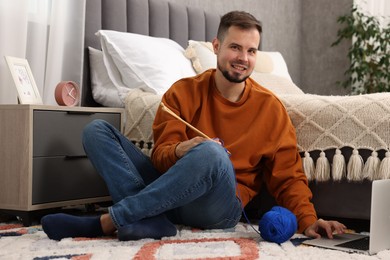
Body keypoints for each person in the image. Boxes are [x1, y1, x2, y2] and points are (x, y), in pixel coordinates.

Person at [41, 10, 346, 241]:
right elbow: (160, 157)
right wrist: (183, 148)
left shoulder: (270, 108)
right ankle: (153, 221)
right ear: (216, 46)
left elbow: (288, 176)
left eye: (251, 51)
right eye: (235, 48)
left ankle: (109, 221)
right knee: (96, 130)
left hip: (219, 207)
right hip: (171, 189)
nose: (243, 58)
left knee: (213, 155)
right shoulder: (181, 93)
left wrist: (308, 220)